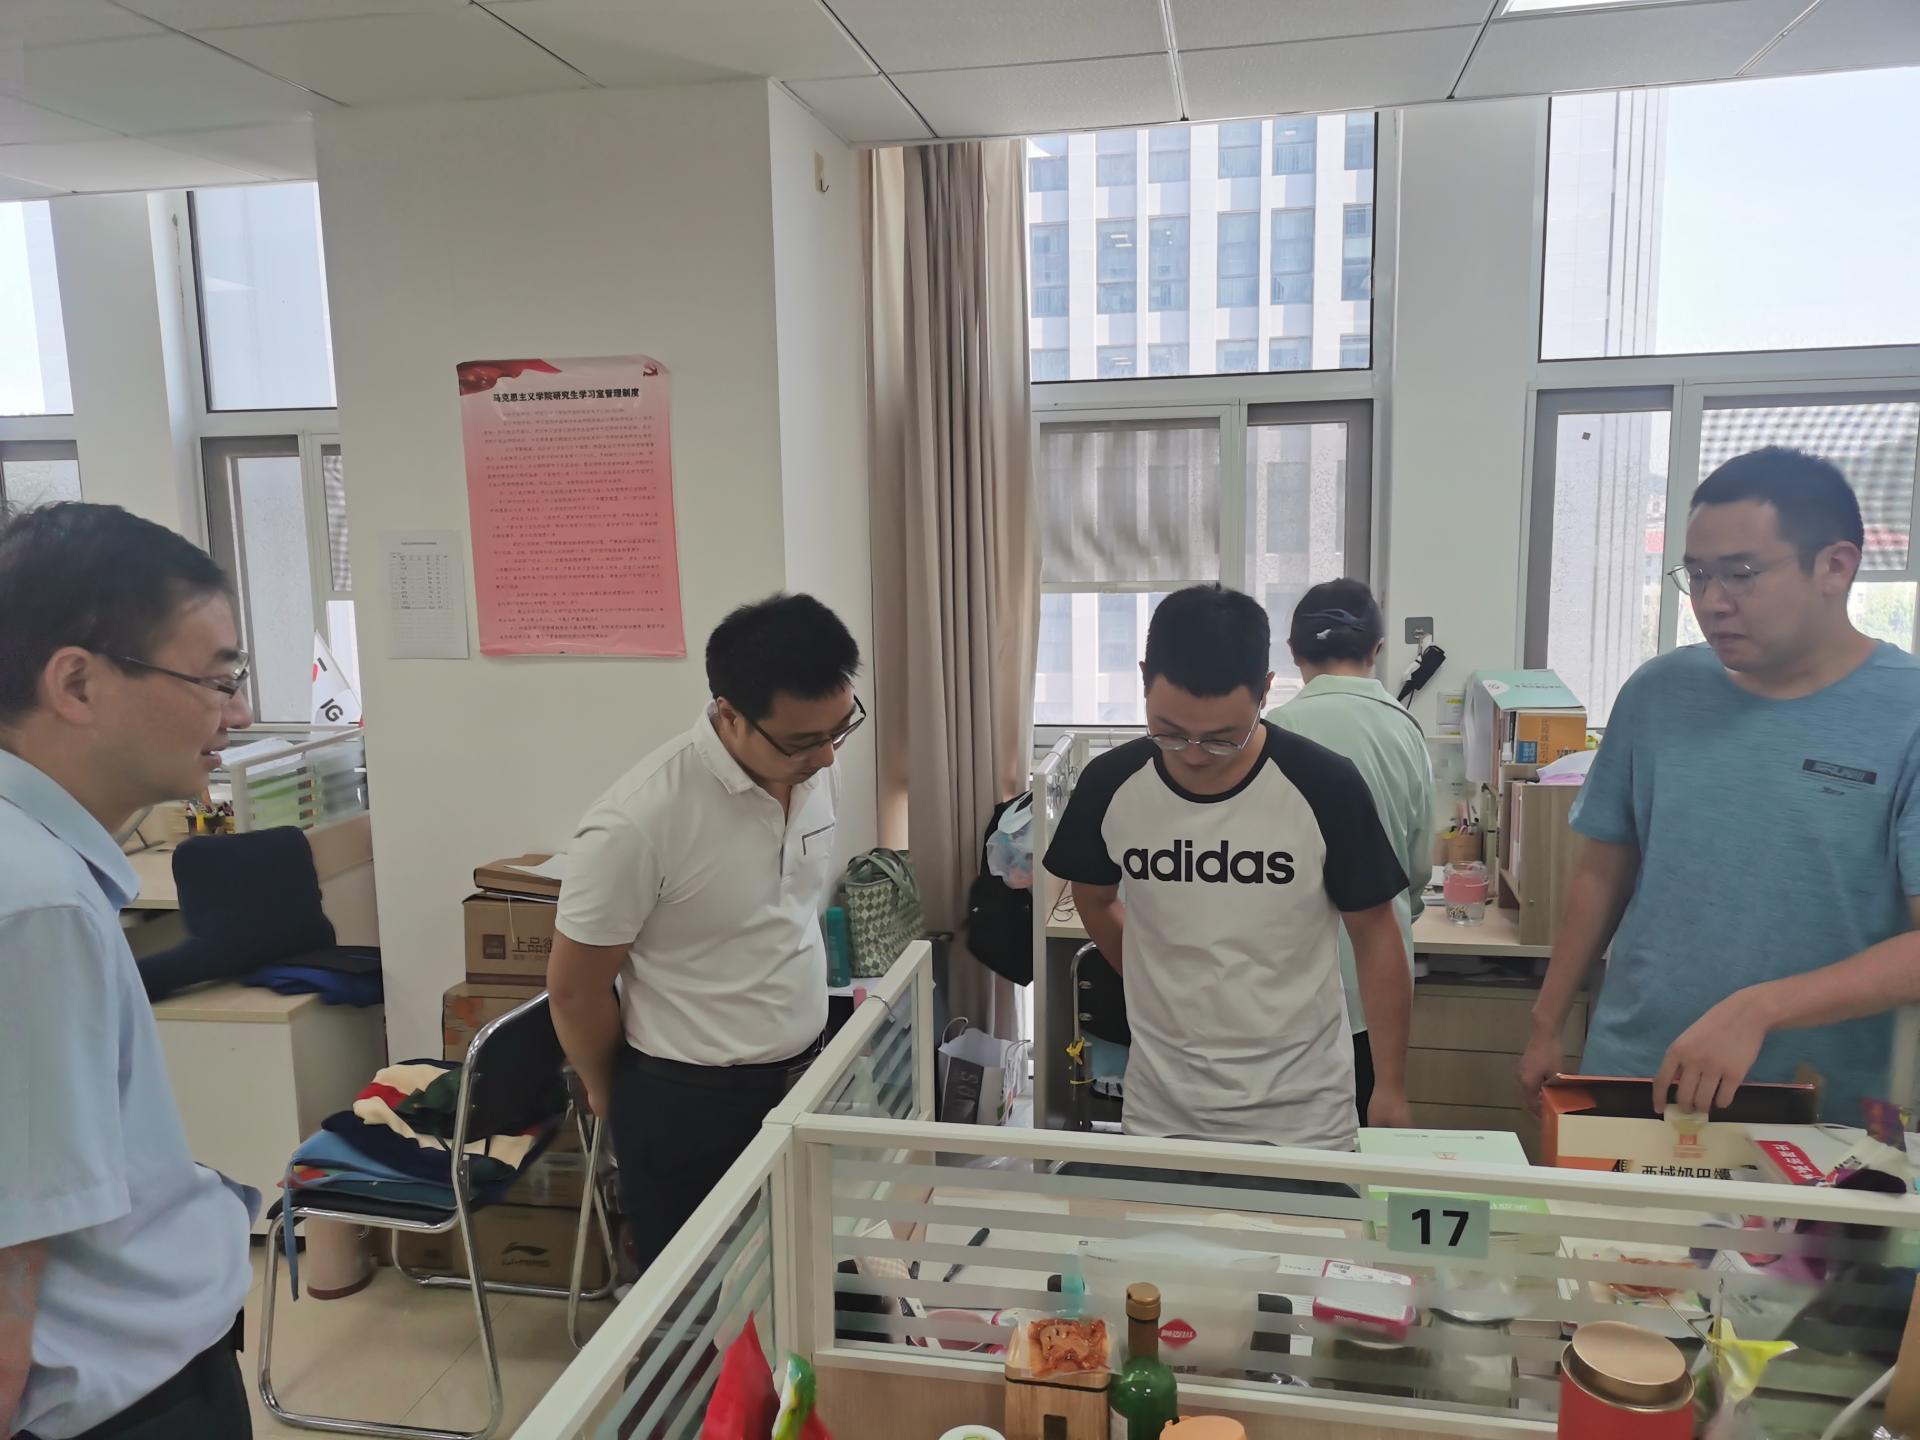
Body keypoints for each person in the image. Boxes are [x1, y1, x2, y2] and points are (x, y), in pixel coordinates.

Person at [1518, 448, 1920, 1120]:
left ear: (1835, 566)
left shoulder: (1907, 714)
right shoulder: (1659, 692)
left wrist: (1761, 1008)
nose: (1711, 603)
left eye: (1741, 574)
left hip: (1815, 1107)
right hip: (1635, 1075)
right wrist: (1546, 1021)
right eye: (1698, 575)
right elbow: (1603, 871)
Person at [0, 503, 258, 1439]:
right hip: (120, 1408)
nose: (236, 713)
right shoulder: (35, 900)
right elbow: (13, 1243)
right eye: (216, 679)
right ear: (76, 682)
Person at [548, 593, 863, 1270]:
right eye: (803, 741)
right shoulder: (639, 821)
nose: (827, 758)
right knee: (699, 1306)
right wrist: (612, 1096)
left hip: (805, 1079)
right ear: (729, 713)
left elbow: (789, 913)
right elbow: (575, 990)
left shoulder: (814, 773)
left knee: (805, 1282)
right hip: (688, 1105)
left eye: (839, 730)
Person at [1043, 583, 1414, 1150]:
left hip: (1304, 1112)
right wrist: (1156, 976)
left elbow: (1377, 934)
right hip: (1163, 1106)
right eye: (1169, 732)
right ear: (1143, 679)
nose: (1193, 754)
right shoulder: (1109, 784)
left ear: (1265, 691)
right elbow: (1093, 897)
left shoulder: (1324, 785)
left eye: (1222, 739)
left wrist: (1390, 1086)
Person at [1269, 580, 1435, 1127]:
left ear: (1293, 653)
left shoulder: (1272, 733)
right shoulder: (1405, 731)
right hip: (1377, 995)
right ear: (1377, 650)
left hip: (1289, 993)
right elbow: (1415, 868)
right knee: (1360, 1147)